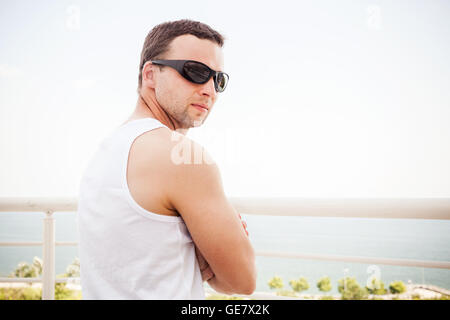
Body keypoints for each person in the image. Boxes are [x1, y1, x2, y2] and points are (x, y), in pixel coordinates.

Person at [77, 19, 256, 299]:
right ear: (150, 74)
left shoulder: (105, 151)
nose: (209, 89)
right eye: (195, 72)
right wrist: (204, 255)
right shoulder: (184, 156)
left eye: (218, 79)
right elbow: (242, 281)